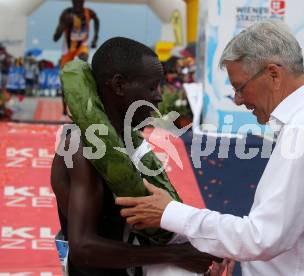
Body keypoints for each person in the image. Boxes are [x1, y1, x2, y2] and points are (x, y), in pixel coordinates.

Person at [116, 20, 304, 276]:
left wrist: (170, 212)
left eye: (239, 87)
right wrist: (241, 254)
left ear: (273, 74)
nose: (237, 100)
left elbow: (261, 238)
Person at [51, 37, 221, 275]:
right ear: (119, 85)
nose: (159, 97)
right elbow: (83, 248)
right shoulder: (79, 146)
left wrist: (198, 251)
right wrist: (179, 255)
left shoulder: (127, 139)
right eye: (152, 87)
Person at [53, 0, 100, 68]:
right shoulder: (66, 13)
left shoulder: (88, 12)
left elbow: (96, 20)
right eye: (76, 1)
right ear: (72, 2)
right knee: (65, 69)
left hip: (82, 44)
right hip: (68, 47)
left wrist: (95, 38)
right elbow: (55, 38)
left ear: (83, 2)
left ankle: (83, 74)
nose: (78, 3)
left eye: (80, 1)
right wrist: (64, 24)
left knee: (84, 58)